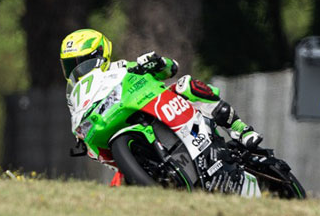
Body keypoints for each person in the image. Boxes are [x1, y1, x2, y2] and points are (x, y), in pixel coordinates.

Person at [59, 28, 263, 150]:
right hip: (112, 124)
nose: (78, 70)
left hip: (155, 106)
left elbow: (171, 67)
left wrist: (155, 62)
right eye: (71, 65)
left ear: (101, 54)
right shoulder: (77, 97)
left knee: (186, 85)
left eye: (84, 62)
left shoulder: (120, 68)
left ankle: (240, 130)